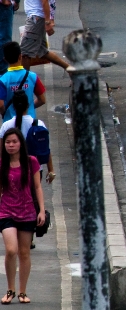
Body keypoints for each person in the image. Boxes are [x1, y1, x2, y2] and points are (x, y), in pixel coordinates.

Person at [0, 128, 45, 304]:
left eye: (14, 142)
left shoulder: (31, 162)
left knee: (24, 253)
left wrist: (41, 210)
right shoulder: (2, 164)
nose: (11, 145)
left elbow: (37, 187)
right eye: (7, 142)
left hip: (27, 212)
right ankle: (10, 289)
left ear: (20, 144)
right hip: (6, 211)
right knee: (11, 250)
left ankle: (22, 292)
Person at [0, 88, 53, 180]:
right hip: (35, 169)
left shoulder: (6, 126)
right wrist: (51, 170)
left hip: (12, 171)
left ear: (13, 107)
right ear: (28, 105)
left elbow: (1, 152)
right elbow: (46, 148)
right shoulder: (39, 124)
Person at [0, 43, 45, 120]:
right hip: (30, 122)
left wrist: (5, 113)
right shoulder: (33, 76)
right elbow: (42, 100)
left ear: (5, 59)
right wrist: (29, 107)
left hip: (10, 125)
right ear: (20, 56)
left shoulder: (3, 80)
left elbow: (0, 105)